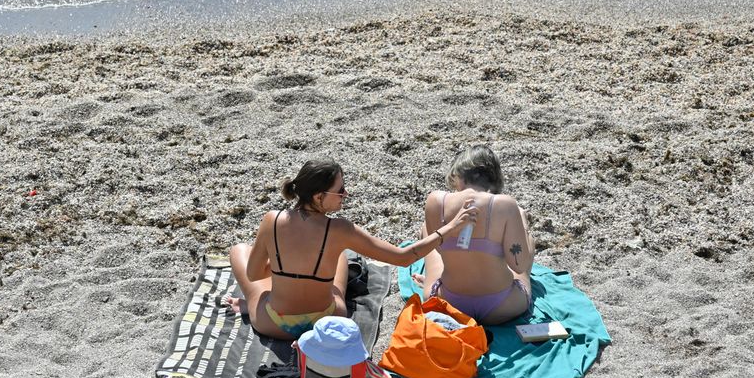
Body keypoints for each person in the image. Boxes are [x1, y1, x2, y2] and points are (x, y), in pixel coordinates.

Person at [224, 157, 477, 340]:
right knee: (339, 256)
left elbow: (255, 274)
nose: (346, 194)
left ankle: (249, 305)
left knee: (239, 250)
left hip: (274, 325)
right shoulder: (340, 230)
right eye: (340, 190)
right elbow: (403, 258)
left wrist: (286, 266)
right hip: (327, 321)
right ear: (318, 197)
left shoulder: (272, 220)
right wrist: (450, 228)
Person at [414, 145, 536, 325]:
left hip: (449, 303)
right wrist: (523, 223)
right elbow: (519, 265)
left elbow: (438, 250)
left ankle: (434, 280)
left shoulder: (436, 200)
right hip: (502, 307)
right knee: (525, 246)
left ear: (458, 174)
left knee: (428, 232)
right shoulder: (506, 205)